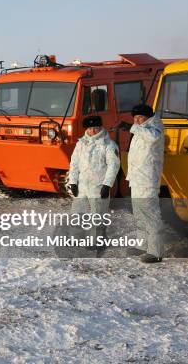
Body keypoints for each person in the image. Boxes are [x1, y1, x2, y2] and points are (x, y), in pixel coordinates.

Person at [67, 115, 120, 246]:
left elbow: (113, 166)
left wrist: (107, 185)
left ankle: (96, 240)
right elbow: (74, 163)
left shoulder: (109, 145)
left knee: (98, 213)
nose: (92, 132)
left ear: (101, 127)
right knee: (77, 212)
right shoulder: (81, 143)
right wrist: (73, 181)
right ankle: (75, 237)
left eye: (95, 128)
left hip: (98, 186)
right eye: (90, 128)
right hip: (82, 185)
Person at [125, 104, 165, 263]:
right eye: (134, 118)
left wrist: (132, 127)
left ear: (148, 116)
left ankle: (156, 251)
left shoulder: (156, 128)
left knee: (150, 214)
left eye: (140, 117)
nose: (137, 121)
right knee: (139, 213)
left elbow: (153, 138)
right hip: (136, 178)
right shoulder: (141, 128)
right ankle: (142, 245)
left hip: (148, 179)